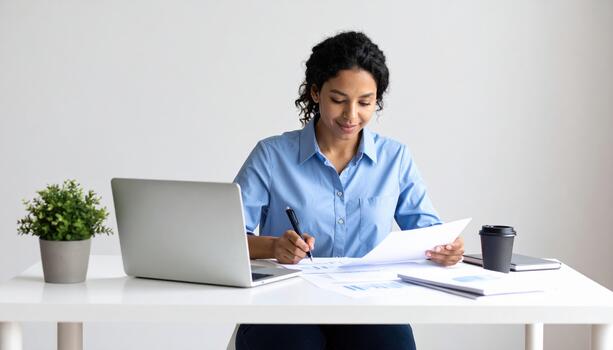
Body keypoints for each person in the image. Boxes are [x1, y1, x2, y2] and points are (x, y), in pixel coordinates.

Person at [233, 31, 464, 350]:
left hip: (370, 305)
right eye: (338, 100)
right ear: (315, 93)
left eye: (365, 102)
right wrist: (274, 247)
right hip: (284, 305)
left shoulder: (394, 158)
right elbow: (226, 240)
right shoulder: (272, 156)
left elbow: (428, 233)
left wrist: (445, 249)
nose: (351, 115)